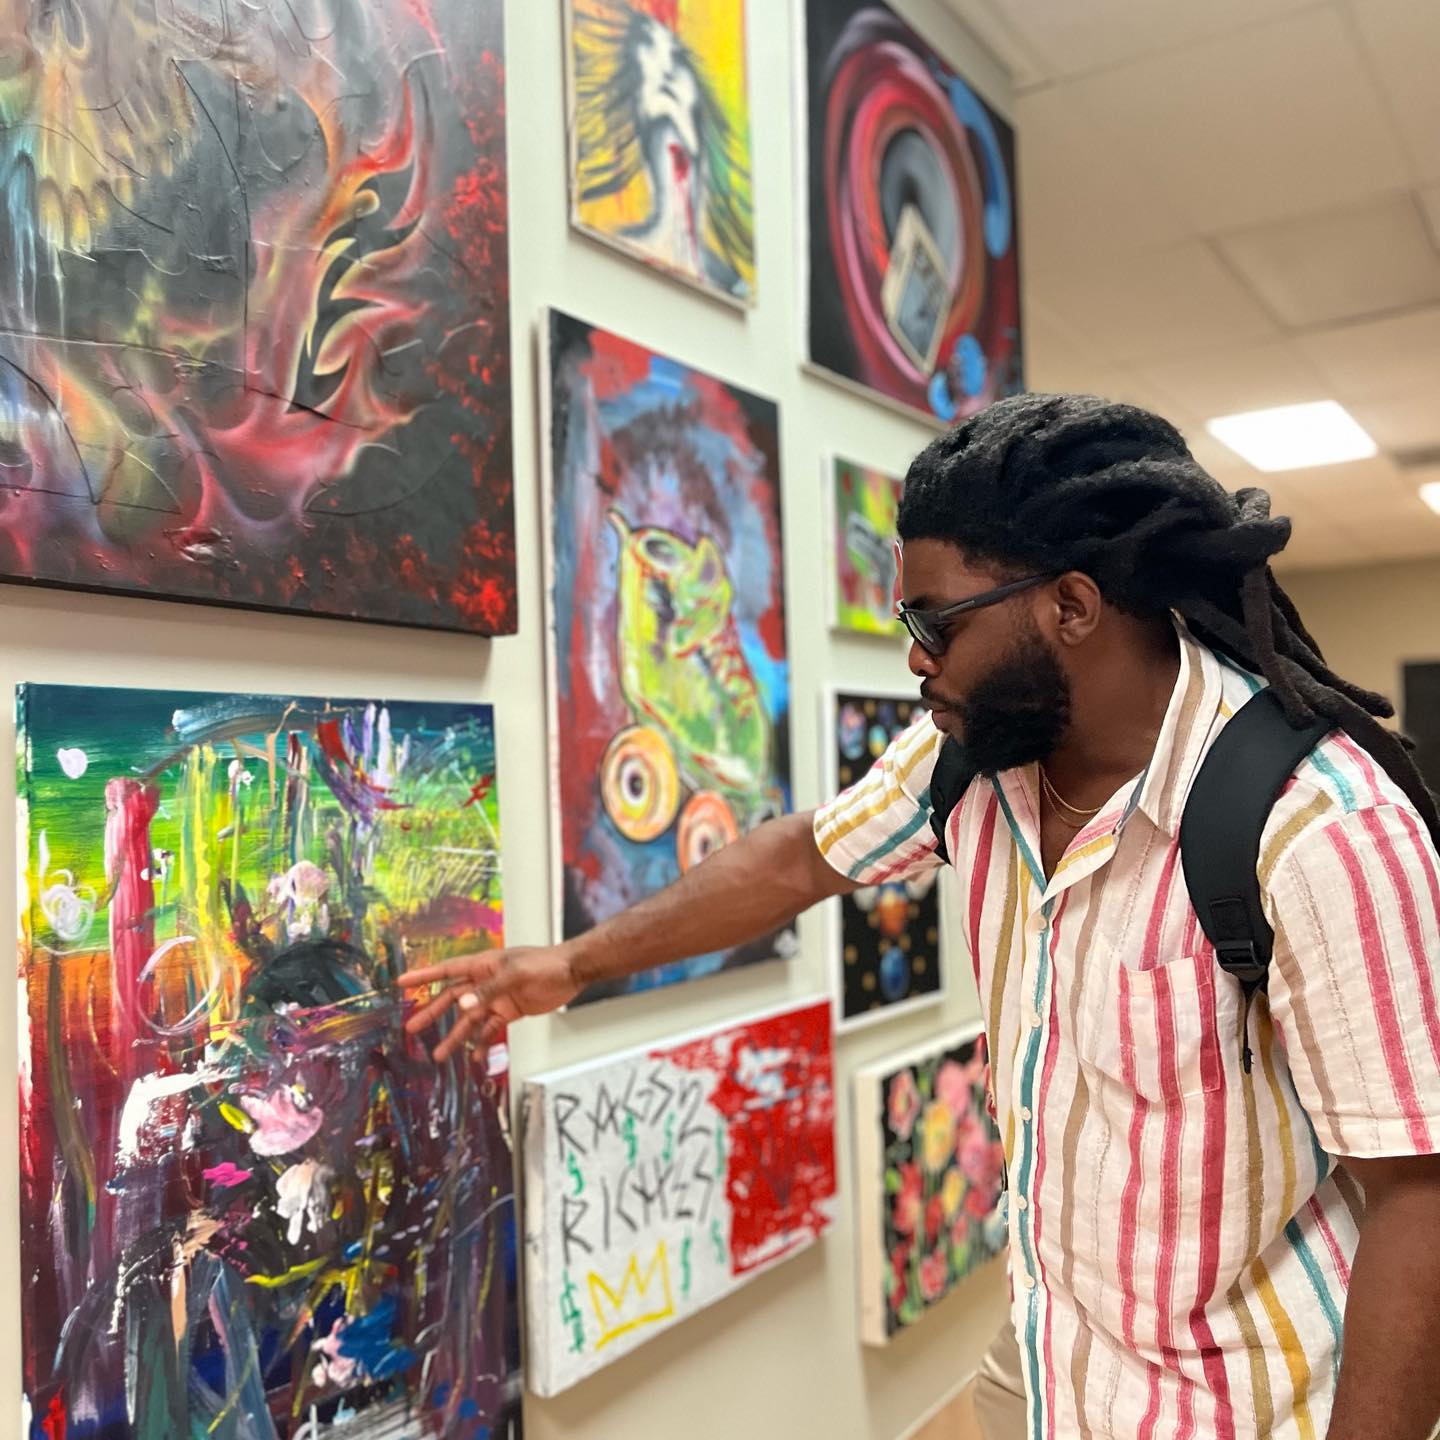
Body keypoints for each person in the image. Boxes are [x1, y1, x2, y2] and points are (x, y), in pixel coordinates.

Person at [402, 393, 1440, 1440]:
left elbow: (1420, 1198)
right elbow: (797, 857)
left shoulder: (1321, 828)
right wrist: (572, 964)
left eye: (936, 624)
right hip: (1052, 1367)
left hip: (1246, 1408)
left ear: (1072, 607)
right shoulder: (977, 764)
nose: (915, 658)